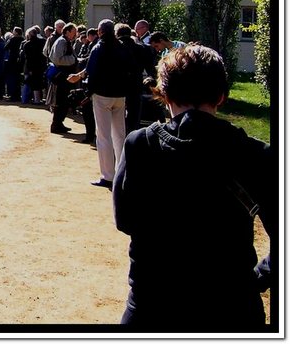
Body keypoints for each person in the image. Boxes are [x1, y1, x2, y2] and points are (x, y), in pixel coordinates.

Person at [113, 44, 276, 329]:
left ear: (164, 95)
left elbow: (125, 219)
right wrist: (258, 276)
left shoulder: (141, 144)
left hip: (154, 303)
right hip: (231, 306)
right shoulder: (256, 154)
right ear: (222, 97)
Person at [84, 19, 134, 189]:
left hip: (103, 94)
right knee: (119, 134)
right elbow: (130, 69)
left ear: (100, 32)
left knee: (104, 135)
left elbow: (92, 71)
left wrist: (87, 93)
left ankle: (108, 176)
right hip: (120, 95)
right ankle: (122, 172)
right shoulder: (123, 47)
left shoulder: (98, 47)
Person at [48, 23, 78, 133]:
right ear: (67, 32)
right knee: (61, 101)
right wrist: (73, 60)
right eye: (74, 32)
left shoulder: (65, 41)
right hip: (61, 77)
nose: (75, 34)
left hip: (64, 77)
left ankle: (58, 123)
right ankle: (56, 125)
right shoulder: (62, 42)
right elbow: (57, 59)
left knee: (64, 101)